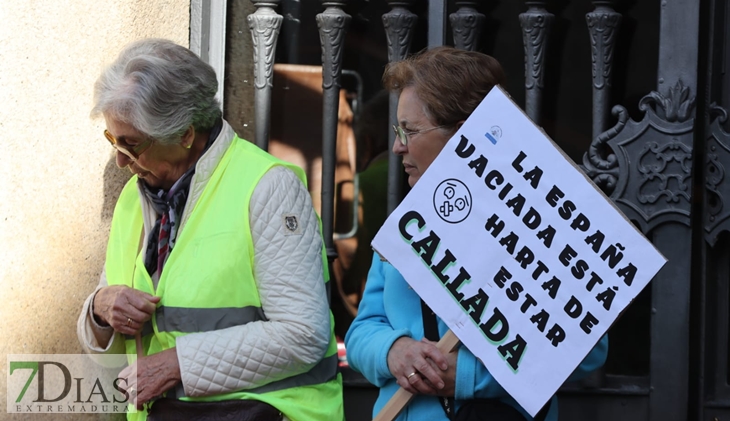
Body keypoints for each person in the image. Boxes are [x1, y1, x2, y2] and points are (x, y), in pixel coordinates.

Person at [77, 38, 343, 421]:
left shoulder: (269, 187)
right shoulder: (134, 198)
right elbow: (114, 334)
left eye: (131, 144)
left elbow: (303, 334)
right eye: (112, 140)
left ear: (185, 134)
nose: (119, 160)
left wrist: (177, 365)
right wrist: (100, 310)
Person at [344, 46, 609, 421]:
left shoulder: (539, 227)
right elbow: (362, 331)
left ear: (463, 135)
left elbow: (586, 351)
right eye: (397, 130)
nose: (397, 145)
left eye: (411, 130)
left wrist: (467, 377)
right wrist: (393, 351)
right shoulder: (408, 223)